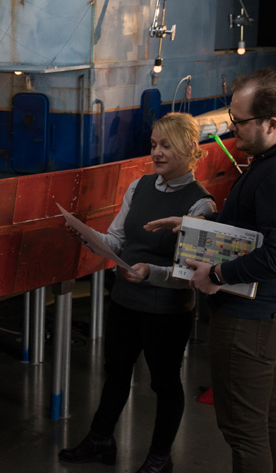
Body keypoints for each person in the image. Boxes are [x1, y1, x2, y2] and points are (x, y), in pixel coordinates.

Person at [146, 69, 276, 473]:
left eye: (240, 121)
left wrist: (216, 276)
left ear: (272, 123)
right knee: (267, 416)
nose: (232, 128)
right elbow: (258, 228)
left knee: (244, 431)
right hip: (275, 311)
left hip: (252, 319)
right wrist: (197, 225)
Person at [59, 112, 216, 473]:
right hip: (125, 301)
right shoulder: (138, 186)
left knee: (165, 383)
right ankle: (100, 438)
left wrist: (150, 273)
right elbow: (116, 240)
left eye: (166, 145)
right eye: (153, 144)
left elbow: (191, 273)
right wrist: (89, 238)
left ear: (190, 149)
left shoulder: (201, 205)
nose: (156, 152)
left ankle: (160, 458)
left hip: (167, 310)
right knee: (116, 371)